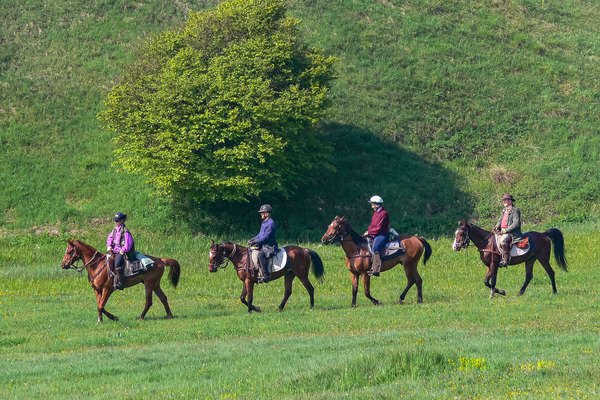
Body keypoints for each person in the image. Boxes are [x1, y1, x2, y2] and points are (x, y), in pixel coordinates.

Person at [247, 204, 278, 283]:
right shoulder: (264, 222)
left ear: (267, 213)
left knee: (260, 255)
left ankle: (266, 276)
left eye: (262, 212)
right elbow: (260, 235)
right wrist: (252, 239)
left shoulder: (271, 223)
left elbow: (266, 237)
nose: (261, 214)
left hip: (269, 246)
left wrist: (256, 242)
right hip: (263, 245)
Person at [106, 212, 135, 290]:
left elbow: (128, 244)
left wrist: (122, 250)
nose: (116, 222)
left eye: (117, 221)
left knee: (117, 263)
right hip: (114, 250)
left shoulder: (125, 231)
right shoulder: (115, 230)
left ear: (122, 221)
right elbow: (110, 238)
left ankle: (121, 282)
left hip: (122, 251)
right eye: (115, 221)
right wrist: (109, 246)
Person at [494, 193, 522, 267]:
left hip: (511, 233)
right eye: (504, 200)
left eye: (506, 200)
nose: (504, 201)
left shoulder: (515, 210)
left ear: (510, 201)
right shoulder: (504, 211)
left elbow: (516, 223)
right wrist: (496, 227)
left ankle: (506, 260)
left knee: (503, 240)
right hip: (503, 231)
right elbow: (500, 221)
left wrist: (506, 230)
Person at [365, 195, 389, 277]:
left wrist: (369, 232)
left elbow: (379, 228)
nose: (371, 206)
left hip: (382, 234)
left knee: (375, 248)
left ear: (377, 204)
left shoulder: (384, 213)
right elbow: (372, 225)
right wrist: (368, 231)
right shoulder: (376, 213)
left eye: (372, 204)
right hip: (375, 233)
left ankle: (376, 270)